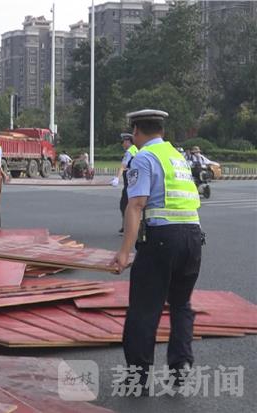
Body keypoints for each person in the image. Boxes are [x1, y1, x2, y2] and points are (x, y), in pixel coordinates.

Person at [111, 109, 202, 394]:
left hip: (163, 239)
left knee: (144, 309)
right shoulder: (177, 156)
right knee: (181, 305)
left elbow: (136, 205)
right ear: (161, 131)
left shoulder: (144, 157)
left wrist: (124, 252)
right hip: (193, 238)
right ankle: (180, 368)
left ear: (137, 131)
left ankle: (138, 379)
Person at [111, 133, 139, 233]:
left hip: (129, 183)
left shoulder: (129, 152)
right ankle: (130, 226)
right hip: (137, 181)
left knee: (124, 204)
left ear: (127, 141)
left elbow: (123, 166)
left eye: (123, 142)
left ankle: (127, 226)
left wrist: (117, 178)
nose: (122, 144)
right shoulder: (137, 150)